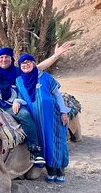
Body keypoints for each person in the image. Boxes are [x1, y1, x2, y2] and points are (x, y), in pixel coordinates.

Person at [0, 43, 71, 164]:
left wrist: (55, 56)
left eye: (7, 56)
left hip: (11, 106)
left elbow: (37, 67)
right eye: (0, 57)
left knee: (25, 115)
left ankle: (34, 149)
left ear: (11, 59)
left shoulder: (18, 72)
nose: (4, 59)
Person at [14, 53, 70, 183]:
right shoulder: (19, 81)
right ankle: (50, 170)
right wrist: (17, 101)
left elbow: (57, 95)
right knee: (43, 142)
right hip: (36, 118)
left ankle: (60, 169)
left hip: (53, 116)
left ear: (34, 64)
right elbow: (22, 97)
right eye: (23, 64)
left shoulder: (45, 77)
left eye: (28, 62)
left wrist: (63, 112)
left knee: (56, 140)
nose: (25, 65)